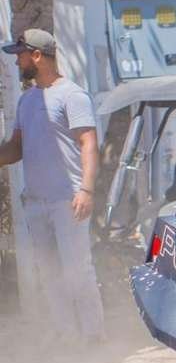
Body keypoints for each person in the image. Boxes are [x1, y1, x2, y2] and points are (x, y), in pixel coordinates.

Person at [0, 28, 105, 343]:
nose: (16, 62)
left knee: (77, 270)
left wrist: (86, 190)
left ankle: (93, 335)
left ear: (36, 55)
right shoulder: (27, 100)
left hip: (67, 201)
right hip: (36, 202)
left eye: (20, 55)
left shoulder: (72, 95)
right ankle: (66, 336)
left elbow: (88, 143)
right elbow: (16, 148)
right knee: (49, 273)